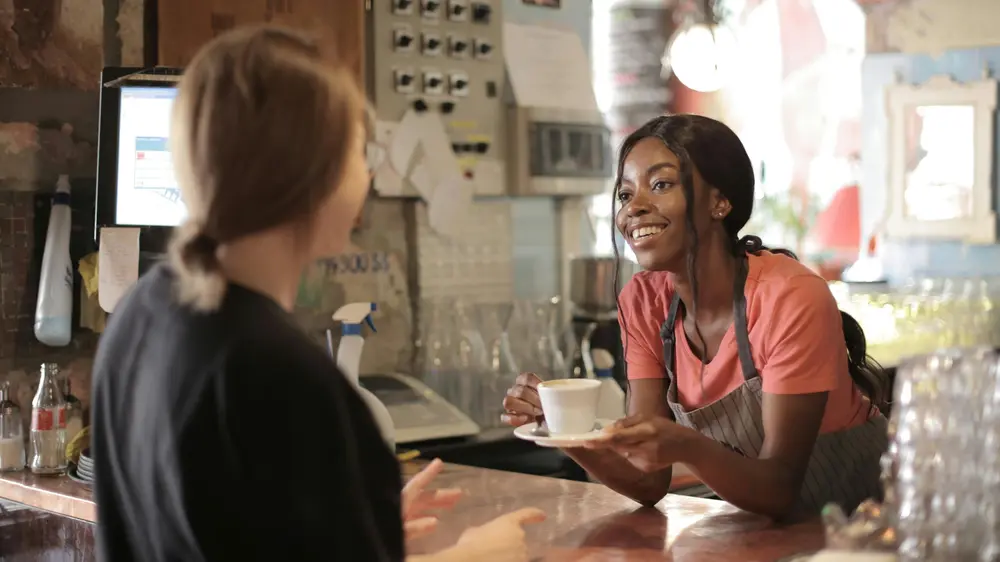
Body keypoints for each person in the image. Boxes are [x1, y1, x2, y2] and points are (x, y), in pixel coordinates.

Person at [91, 25, 543, 562]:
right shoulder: (285, 373)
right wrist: (474, 556)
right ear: (308, 172)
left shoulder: (141, 312)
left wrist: (353, 522)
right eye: (358, 151)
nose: (368, 174)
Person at [502, 114, 889, 519]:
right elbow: (648, 482)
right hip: (766, 530)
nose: (634, 208)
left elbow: (778, 487)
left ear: (720, 202)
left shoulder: (788, 297)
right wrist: (563, 427)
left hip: (870, 531)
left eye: (660, 185)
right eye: (624, 194)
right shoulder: (644, 302)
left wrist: (686, 445)